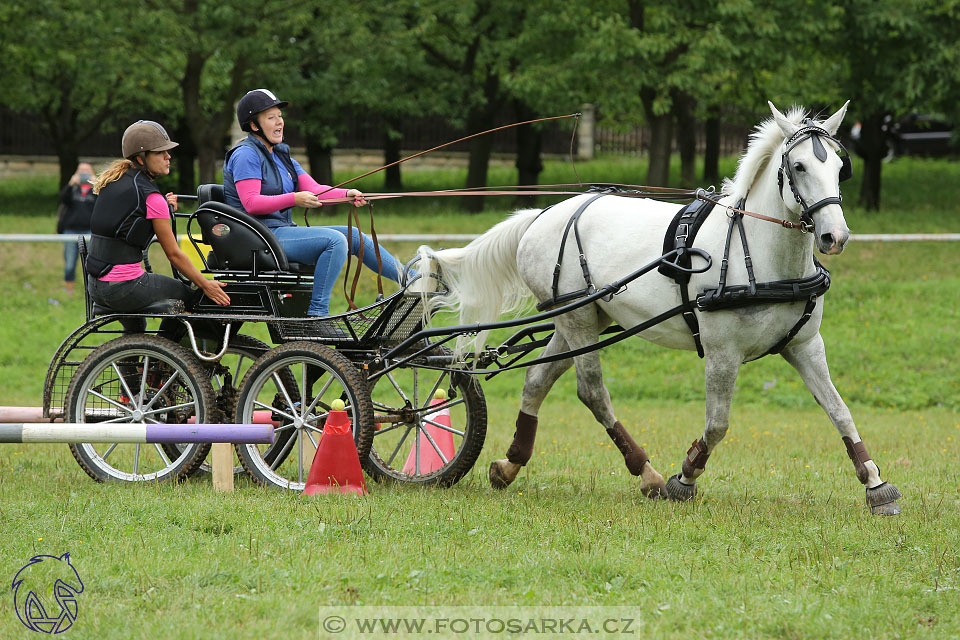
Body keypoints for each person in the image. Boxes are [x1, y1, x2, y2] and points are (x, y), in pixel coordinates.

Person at [223, 89, 404, 317]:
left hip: (279, 231)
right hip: (259, 236)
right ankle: (318, 314)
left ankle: (411, 276)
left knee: (353, 235)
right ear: (254, 126)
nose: (280, 122)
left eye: (280, 116)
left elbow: (316, 190)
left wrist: (347, 194)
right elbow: (251, 203)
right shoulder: (245, 155)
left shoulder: (281, 156)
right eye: (271, 117)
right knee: (335, 241)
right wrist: (294, 199)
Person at [87, 120, 230, 333]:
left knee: (136, 327)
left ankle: (135, 361)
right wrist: (205, 285)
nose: (168, 156)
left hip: (96, 285)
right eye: (160, 152)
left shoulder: (115, 181)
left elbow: (129, 216)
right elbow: (173, 254)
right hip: (124, 287)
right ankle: (166, 355)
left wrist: (162, 205)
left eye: (167, 152)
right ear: (141, 158)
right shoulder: (152, 198)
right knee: (191, 296)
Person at [57, 162, 97, 293]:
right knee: (69, 264)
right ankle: (69, 291)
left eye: (87, 170)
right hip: (71, 231)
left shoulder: (96, 190)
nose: (83, 173)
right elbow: (63, 199)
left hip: (90, 231)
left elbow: (104, 203)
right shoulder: (72, 189)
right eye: (81, 171)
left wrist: (97, 184)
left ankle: (91, 291)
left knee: (91, 264)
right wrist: (70, 184)